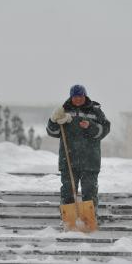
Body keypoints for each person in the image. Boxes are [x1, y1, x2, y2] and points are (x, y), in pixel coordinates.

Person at [46, 84, 110, 216]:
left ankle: (89, 219)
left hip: (90, 160)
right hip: (69, 159)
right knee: (67, 191)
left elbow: (105, 129)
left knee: (89, 191)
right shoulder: (64, 110)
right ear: (71, 97)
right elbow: (53, 132)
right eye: (75, 96)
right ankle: (68, 220)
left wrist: (90, 126)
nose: (78, 99)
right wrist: (53, 120)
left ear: (84, 95)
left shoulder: (95, 110)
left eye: (80, 96)